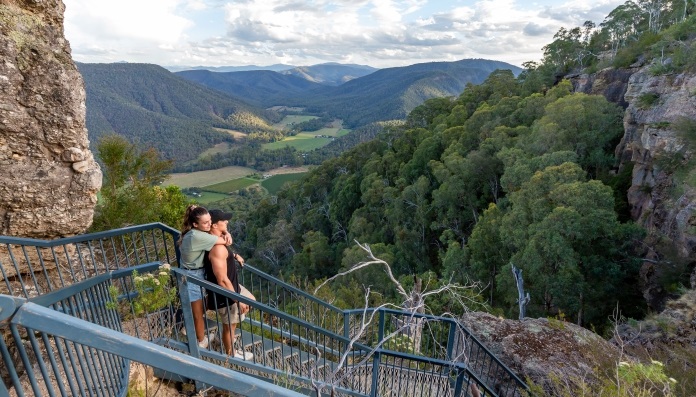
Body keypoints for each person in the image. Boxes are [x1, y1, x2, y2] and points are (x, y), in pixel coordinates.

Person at [204, 209, 256, 360]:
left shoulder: (218, 240)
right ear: (214, 225)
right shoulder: (217, 249)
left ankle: (227, 341)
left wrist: (234, 255)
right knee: (230, 324)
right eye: (223, 220)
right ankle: (230, 353)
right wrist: (236, 299)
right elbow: (221, 279)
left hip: (233, 287)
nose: (227, 221)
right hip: (225, 293)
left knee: (250, 301)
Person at [178, 204, 232, 348]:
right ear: (195, 224)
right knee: (197, 312)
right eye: (206, 222)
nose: (209, 225)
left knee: (201, 306)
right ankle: (201, 341)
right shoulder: (198, 236)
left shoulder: (194, 232)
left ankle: (189, 326)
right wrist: (226, 232)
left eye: (210, 221)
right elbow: (225, 242)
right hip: (192, 276)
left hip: (194, 272)